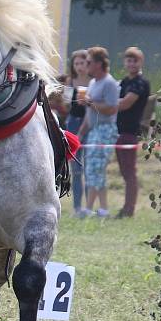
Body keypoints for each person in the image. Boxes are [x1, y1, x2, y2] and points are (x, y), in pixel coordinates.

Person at [77, 46, 119, 218]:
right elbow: (90, 112)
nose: (86, 65)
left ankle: (88, 208)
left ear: (99, 64)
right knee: (93, 169)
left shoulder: (109, 83)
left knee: (95, 169)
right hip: (94, 129)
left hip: (105, 130)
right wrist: (81, 132)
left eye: (89, 62)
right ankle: (103, 209)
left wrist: (90, 103)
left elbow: (111, 108)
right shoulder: (93, 83)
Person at [115, 46, 150, 218]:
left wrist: (102, 103)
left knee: (130, 172)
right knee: (124, 171)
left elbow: (126, 103)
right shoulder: (124, 82)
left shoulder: (140, 83)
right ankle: (127, 206)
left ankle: (129, 209)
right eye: (128, 60)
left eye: (134, 60)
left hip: (130, 132)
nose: (131, 63)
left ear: (140, 62)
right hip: (119, 131)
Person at [64, 49, 91, 217]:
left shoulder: (94, 81)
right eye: (77, 63)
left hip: (89, 122)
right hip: (73, 122)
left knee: (89, 167)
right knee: (76, 167)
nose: (80, 66)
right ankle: (77, 207)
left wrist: (88, 102)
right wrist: (73, 99)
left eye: (82, 63)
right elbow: (67, 104)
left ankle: (89, 206)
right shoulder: (70, 81)